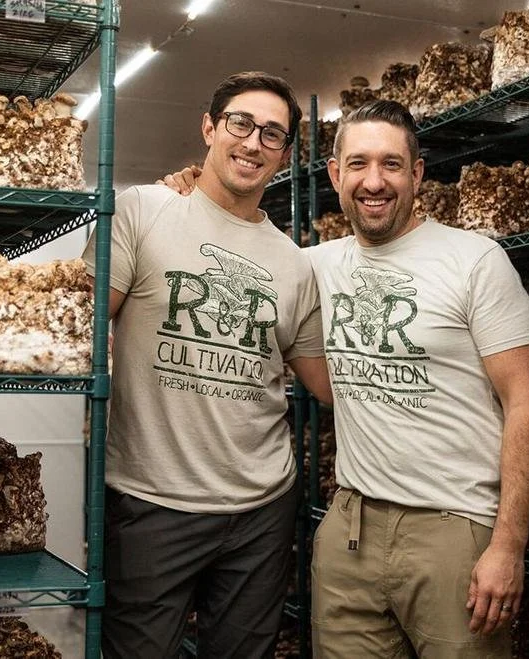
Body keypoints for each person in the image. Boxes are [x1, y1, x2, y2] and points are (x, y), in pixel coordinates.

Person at [162, 99, 529, 658]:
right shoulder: (311, 265)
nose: (375, 182)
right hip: (350, 528)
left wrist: (508, 543)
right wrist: (190, 193)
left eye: (392, 165)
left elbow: (527, 402)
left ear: (416, 175)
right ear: (335, 174)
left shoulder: (475, 261)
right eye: (359, 164)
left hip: (454, 530)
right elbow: (225, 254)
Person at [82, 70, 332, 659]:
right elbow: (82, 333)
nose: (252, 143)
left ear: (286, 154)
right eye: (240, 124)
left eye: (272, 134)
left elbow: (325, 384)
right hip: (151, 502)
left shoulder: (294, 265)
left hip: (262, 510)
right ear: (209, 127)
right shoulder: (141, 211)